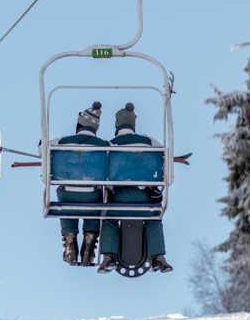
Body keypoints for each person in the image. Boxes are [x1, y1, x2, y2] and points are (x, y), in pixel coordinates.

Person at [97, 103, 173, 274]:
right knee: (154, 218)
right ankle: (157, 257)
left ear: (117, 126)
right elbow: (163, 158)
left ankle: (109, 257)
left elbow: (103, 172)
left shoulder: (110, 145)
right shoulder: (149, 141)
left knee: (109, 219)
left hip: (121, 198)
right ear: (133, 125)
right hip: (145, 198)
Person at [52, 102, 107, 266]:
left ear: (79, 124)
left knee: (67, 207)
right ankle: (89, 242)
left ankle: (70, 243)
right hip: (91, 194)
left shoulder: (62, 141)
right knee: (94, 208)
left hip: (67, 191)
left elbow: (42, 149)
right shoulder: (104, 144)